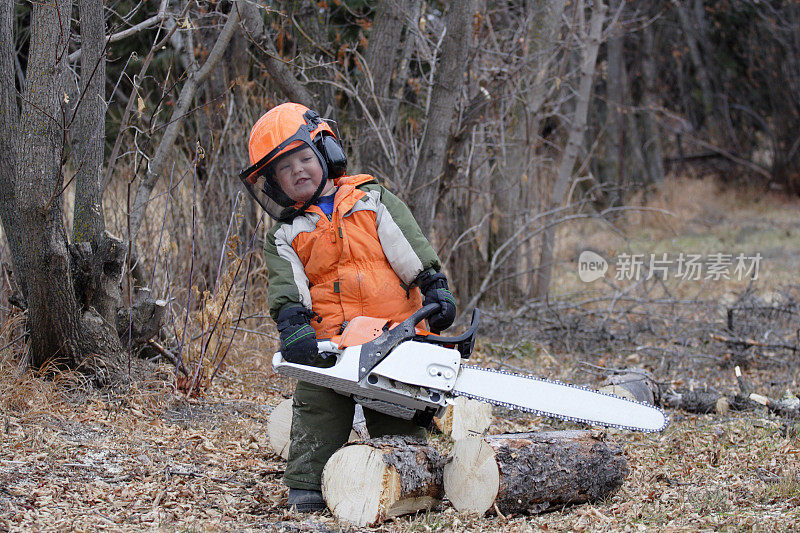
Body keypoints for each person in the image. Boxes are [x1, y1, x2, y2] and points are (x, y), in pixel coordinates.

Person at [239, 102, 457, 512]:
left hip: (394, 332)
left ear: (326, 154)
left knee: (398, 408)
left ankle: (411, 482)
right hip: (330, 343)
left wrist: (433, 287)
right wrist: (294, 327)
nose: (298, 171)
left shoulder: (370, 200)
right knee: (317, 407)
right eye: (285, 169)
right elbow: (288, 286)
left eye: (304, 158)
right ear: (272, 184)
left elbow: (408, 247)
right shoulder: (286, 233)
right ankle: (307, 487)